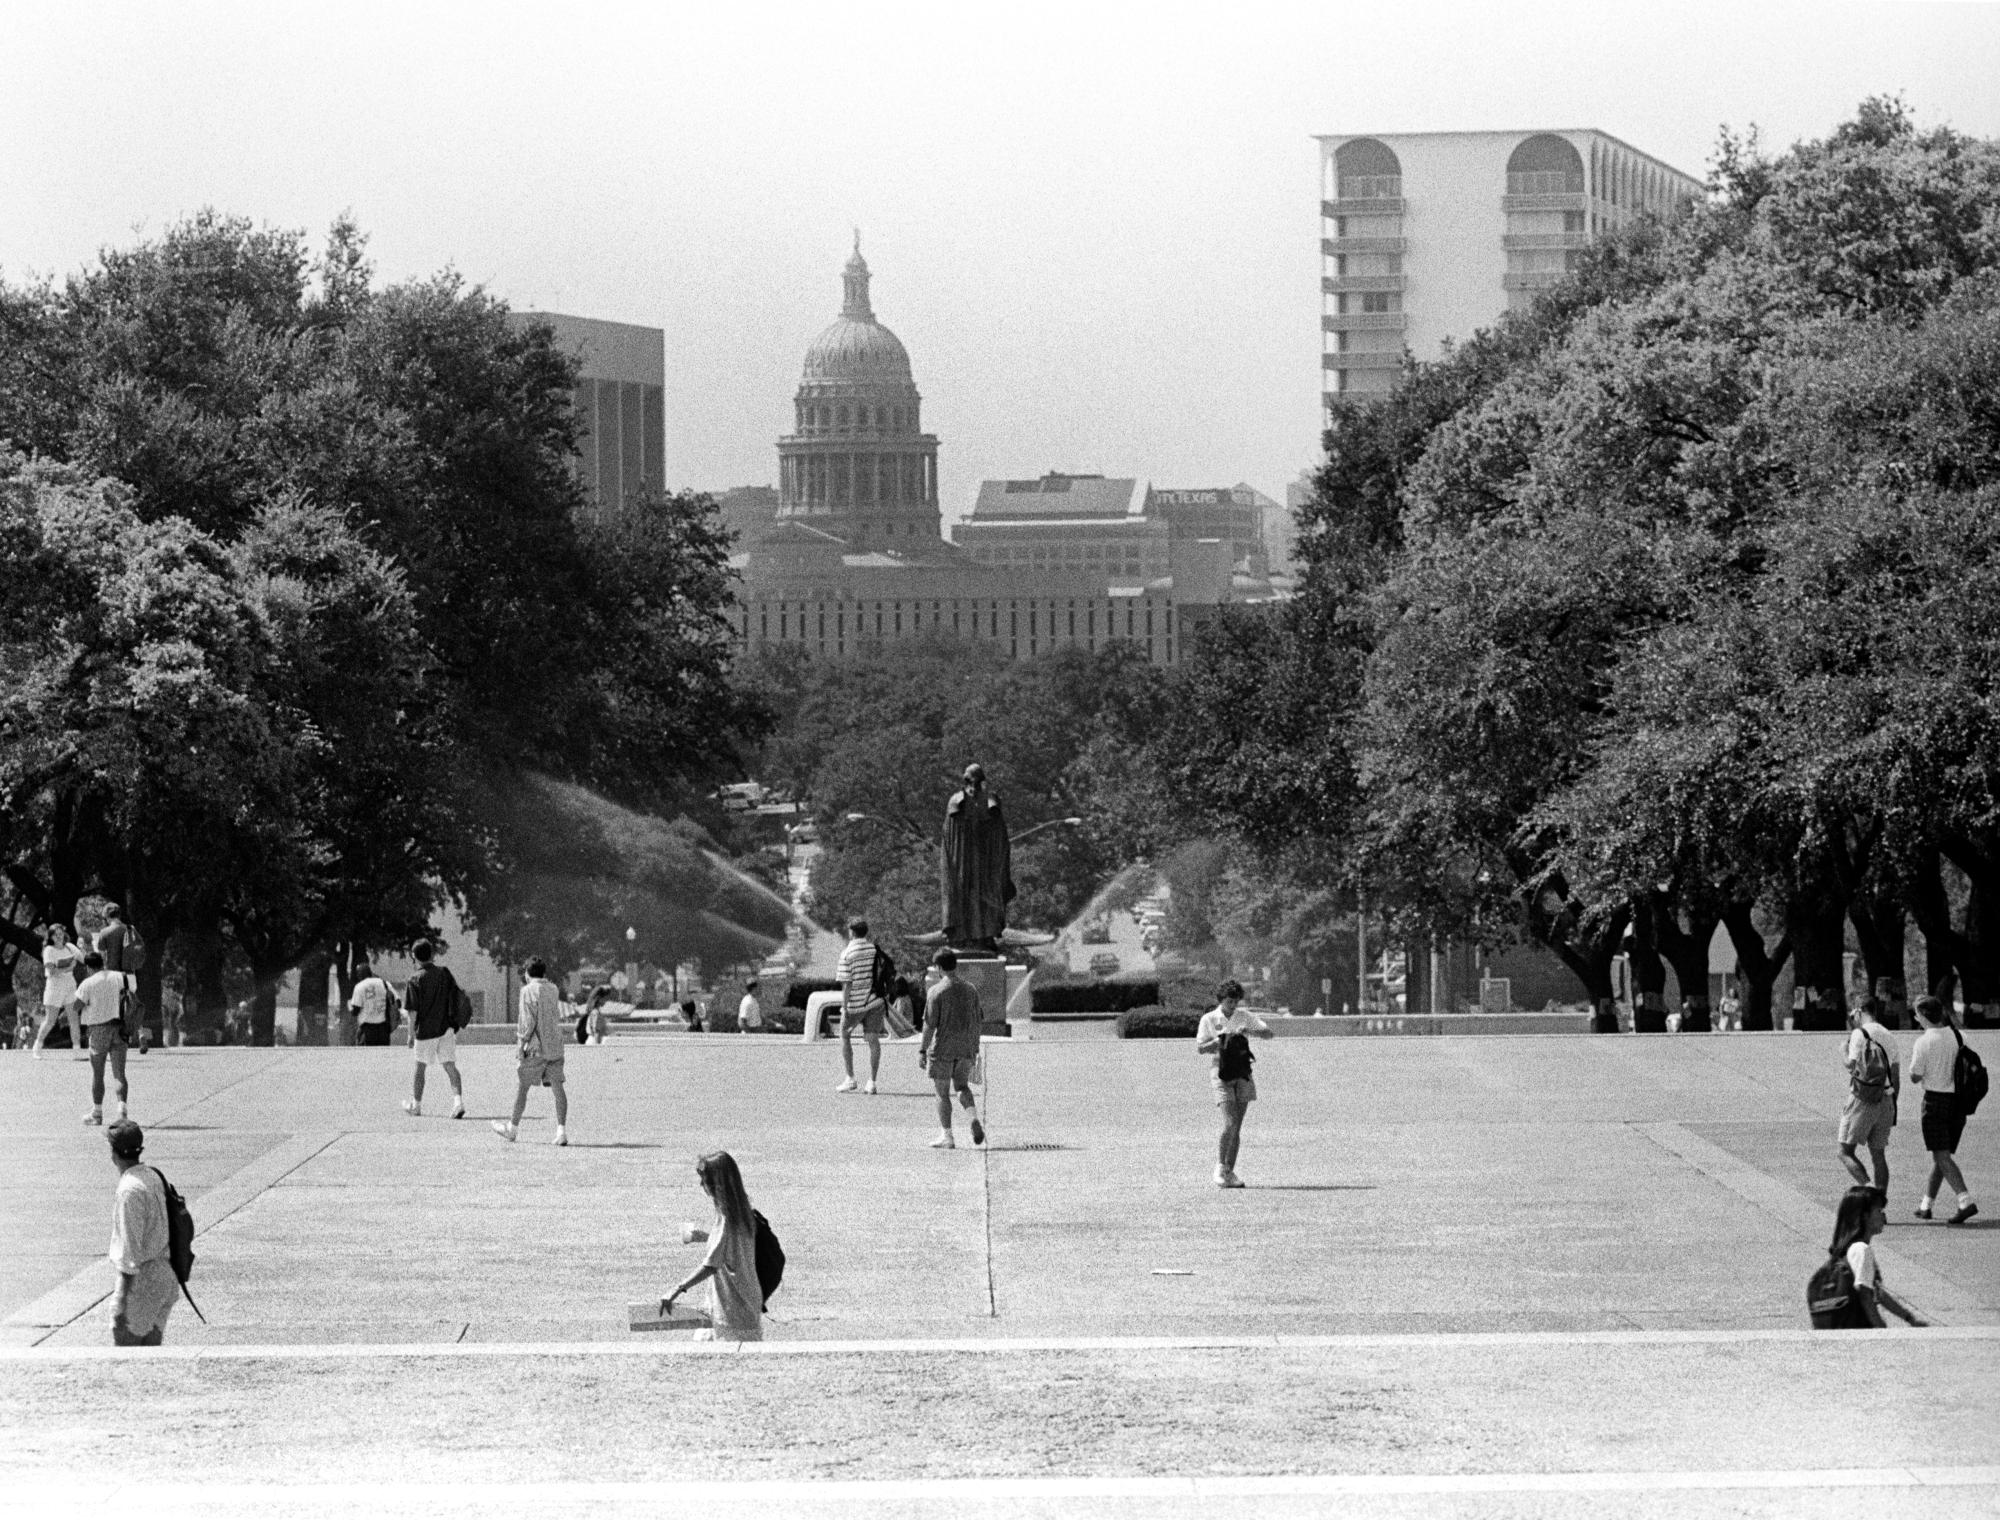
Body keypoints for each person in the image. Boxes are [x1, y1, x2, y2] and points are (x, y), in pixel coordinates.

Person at [661, 1150, 764, 1342]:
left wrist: (676, 1290)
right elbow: (733, 1248)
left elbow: (711, 1265)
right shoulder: (743, 1212)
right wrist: (708, 1238)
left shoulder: (727, 1218)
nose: (701, 1185)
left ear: (717, 1184)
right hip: (746, 1304)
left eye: (704, 1180)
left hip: (733, 1309)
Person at [105, 1119, 178, 1347]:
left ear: (113, 1153)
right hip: (165, 1276)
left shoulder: (129, 1190)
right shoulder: (153, 1175)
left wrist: (121, 1302)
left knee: (127, 1358)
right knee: (150, 1360)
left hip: (142, 1283)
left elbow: (129, 1252)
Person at [1194, 980, 1274, 1188]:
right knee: (1229, 1122)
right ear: (1221, 1000)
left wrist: (1249, 1031)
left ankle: (1229, 1171)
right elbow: (1201, 1048)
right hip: (1221, 1071)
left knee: (1237, 1126)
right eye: (1229, 1001)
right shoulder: (1209, 1019)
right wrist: (1222, 1040)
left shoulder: (1244, 1016)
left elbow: (1269, 1033)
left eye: (1236, 1002)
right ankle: (1220, 1167)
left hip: (1242, 1070)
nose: (1233, 1005)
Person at [1909, 996, 1978, 1224]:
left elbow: (1915, 1075)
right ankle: (1926, 1204)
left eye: (1916, 1013)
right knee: (1943, 1155)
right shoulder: (1959, 1036)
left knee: (1941, 1155)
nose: (1915, 1017)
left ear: (1924, 1016)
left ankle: (1964, 1201)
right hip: (1959, 1103)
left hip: (1935, 1102)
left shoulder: (1924, 1042)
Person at [1819, 1185, 1926, 1328]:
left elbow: (1877, 1292)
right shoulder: (1861, 1249)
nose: (1884, 1216)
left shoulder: (1848, 1250)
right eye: (1879, 1211)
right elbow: (1865, 1294)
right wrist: (1880, 1330)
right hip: (1858, 1330)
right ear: (1864, 1216)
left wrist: (1909, 1318)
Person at [494, 957, 568, 1146]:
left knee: (523, 1088)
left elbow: (527, 1021)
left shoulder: (527, 991)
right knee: (558, 1088)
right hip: (555, 1046)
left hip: (536, 1048)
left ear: (527, 973)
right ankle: (561, 1131)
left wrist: (521, 1045)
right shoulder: (553, 989)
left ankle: (512, 1128)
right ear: (544, 973)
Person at [940, 763, 1014, 951]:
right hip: (962, 865)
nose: (973, 786)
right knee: (965, 897)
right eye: (969, 781)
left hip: (985, 864)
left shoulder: (991, 801)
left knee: (985, 897)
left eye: (977, 781)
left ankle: (986, 935)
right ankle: (961, 935)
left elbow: (1000, 837)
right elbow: (950, 838)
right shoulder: (956, 802)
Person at [919, 949, 984, 1149]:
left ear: (939, 967)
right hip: (965, 1047)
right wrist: (974, 1047)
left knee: (942, 1093)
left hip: (943, 1048)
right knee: (962, 1087)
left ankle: (947, 1136)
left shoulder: (936, 992)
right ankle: (973, 1118)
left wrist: (922, 1050)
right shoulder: (970, 989)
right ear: (955, 965)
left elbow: (929, 1025)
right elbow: (977, 1021)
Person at [1838, 997, 1899, 1195]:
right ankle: (1880, 1205)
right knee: (1878, 1156)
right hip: (1887, 1099)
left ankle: (1870, 1191)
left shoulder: (1859, 1034)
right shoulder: (1889, 1035)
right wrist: (1892, 1103)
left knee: (1845, 1152)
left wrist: (1844, 1051)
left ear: (1859, 1011)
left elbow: (1852, 1066)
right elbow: (1896, 1075)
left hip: (1863, 1099)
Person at [400, 939, 466, 1119]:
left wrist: (410, 1034)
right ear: (432, 955)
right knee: (450, 1066)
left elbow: (412, 1011)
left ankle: (416, 1105)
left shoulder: (414, 979)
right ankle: (458, 1102)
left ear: (415, 957)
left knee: (420, 1068)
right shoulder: (444, 973)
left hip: (425, 1031)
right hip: (445, 1028)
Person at [70, 951, 130, 1126]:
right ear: (103, 963)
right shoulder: (118, 977)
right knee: (119, 1074)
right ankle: (121, 1108)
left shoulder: (87, 983)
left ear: (88, 967)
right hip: (119, 1028)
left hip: (98, 1030)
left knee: (98, 1074)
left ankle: (97, 1113)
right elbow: (131, 992)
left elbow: (76, 1006)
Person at [834, 917, 885, 1094]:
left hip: (855, 1004)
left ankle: (850, 1078)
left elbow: (846, 984)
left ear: (851, 932)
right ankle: (872, 1081)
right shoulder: (873, 949)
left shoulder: (847, 954)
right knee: (873, 1040)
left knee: (845, 1036)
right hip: (875, 1001)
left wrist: (844, 1007)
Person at [32, 923, 83, 1059]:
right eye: (56, 935)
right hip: (54, 987)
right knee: (50, 1020)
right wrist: (68, 967)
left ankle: (77, 1051)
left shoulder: (70, 947)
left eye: (61, 933)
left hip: (70, 986)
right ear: (51, 937)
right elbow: (52, 971)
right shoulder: (49, 950)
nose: (59, 937)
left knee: (74, 1019)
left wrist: (84, 947)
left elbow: (83, 958)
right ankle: (37, 1046)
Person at [348, 961, 397, 1047]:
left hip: (367, 1030)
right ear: (370, 973)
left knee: (366, 1058)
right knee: (383, 1057)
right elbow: (397, 1001)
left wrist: (349, 1006)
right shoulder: (384, 983)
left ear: (359, 975)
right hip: (384, 1029)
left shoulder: (359, 986)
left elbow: (355, 1011)